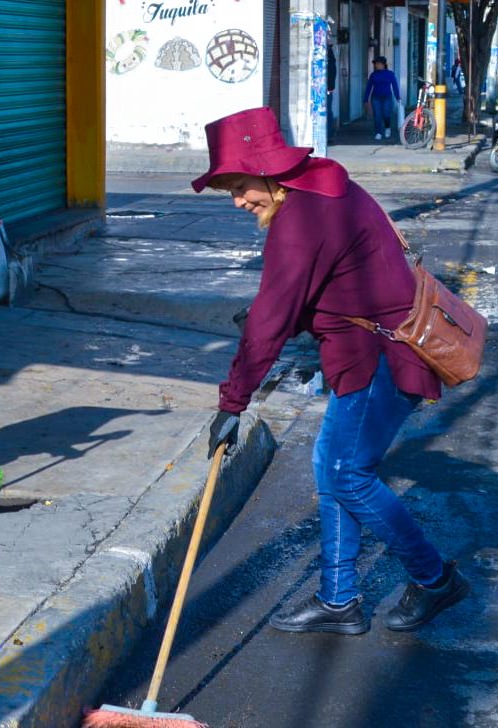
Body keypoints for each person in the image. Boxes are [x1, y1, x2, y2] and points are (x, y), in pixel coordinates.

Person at [193, 107, 470, 635]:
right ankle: (339, 599)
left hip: (379, 359)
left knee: (347, 473)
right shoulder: (322, 185)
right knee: (332, 467)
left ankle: (435, 580)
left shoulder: (299, 220)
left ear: (268, 173)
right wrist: (278, 317)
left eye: (239, 186)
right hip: (365, 354)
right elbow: (329, 281)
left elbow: (272, 319)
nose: (237, 201)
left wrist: (233, 404)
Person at [363, 55, 401, 141]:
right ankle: (378, 132)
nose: (376, 65)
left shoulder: (390, 74)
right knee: (377, 115)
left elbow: (395, 86)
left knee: (386, 114)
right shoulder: (373, 75)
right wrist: (366, 99)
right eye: (375, 64)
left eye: (378, 63)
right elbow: (368, 87)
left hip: (387, 97)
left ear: (383, 64)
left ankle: (387, 128)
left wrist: (398, 96)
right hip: (375, 97)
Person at [327, 43, 337, 144]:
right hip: (327, 87)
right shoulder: (329, 53)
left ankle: (329, 134)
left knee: (328, 112)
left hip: (327, 88)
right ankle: (329, 134)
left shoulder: (329, 54)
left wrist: (330, 87)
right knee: (328, 111)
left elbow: (332, 71)